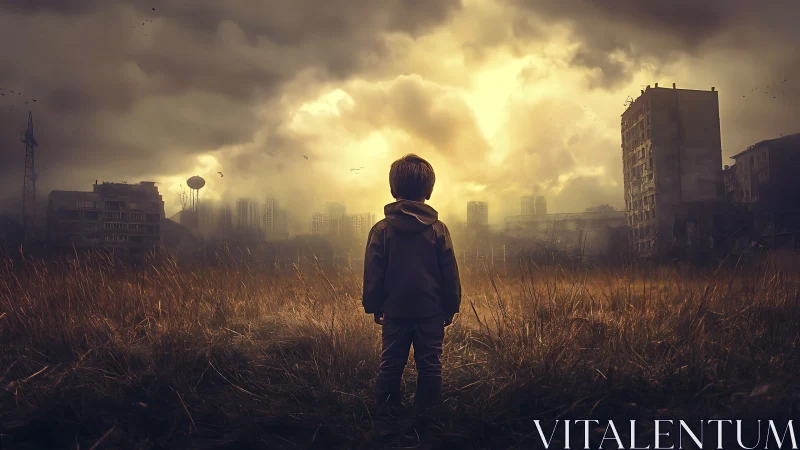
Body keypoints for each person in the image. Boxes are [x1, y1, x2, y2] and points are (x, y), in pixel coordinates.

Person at [362, 153, 462, 412]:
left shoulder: (381, 230)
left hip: (394, 312)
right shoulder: (438, 229)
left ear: (393, 188)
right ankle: (426, 418)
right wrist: (451, 306)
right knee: (430, 365)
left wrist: (373, 305)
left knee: (391, 364)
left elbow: (374, 271)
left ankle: (386, 416)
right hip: (431, 312)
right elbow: (449, 271)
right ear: (428, 191)